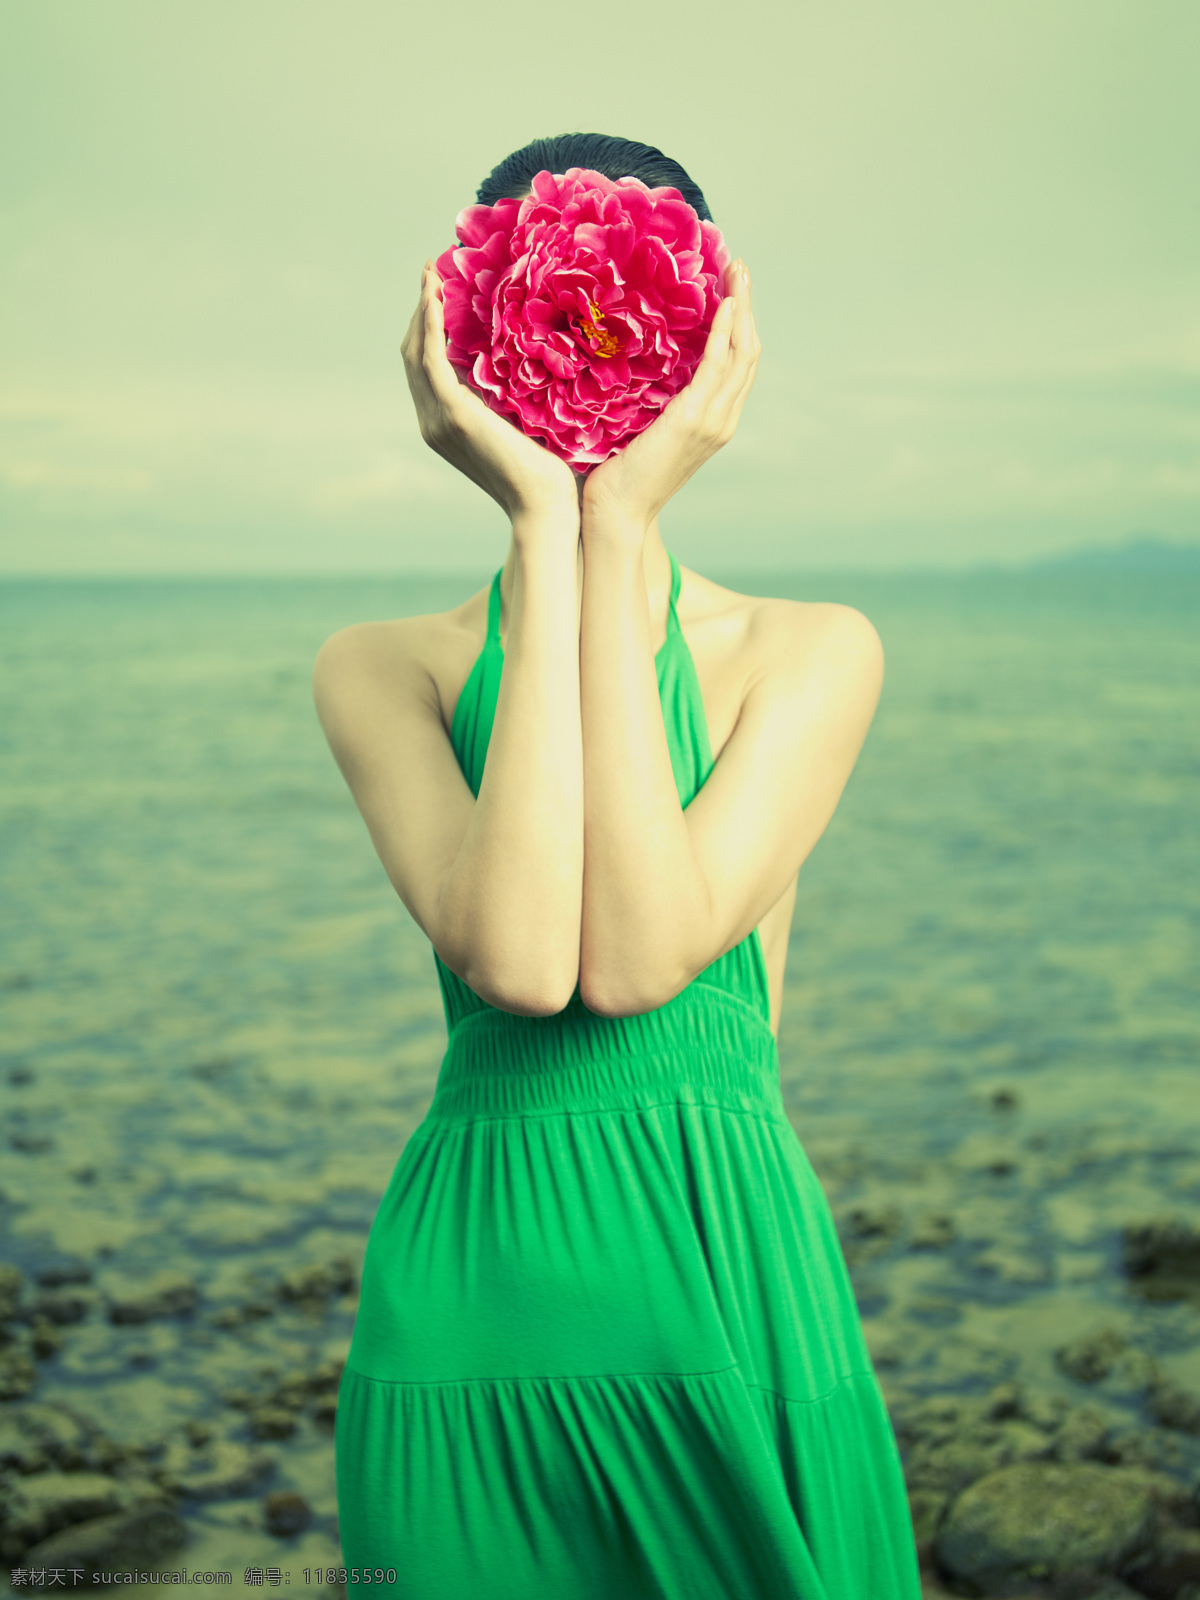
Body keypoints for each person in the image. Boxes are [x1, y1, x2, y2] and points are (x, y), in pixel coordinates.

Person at [314, 132, 921, 1600]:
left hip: (726, 1281)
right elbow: (525, 965)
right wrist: (545, 526)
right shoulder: (379, 667)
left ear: (712, 352)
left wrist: (623, 526)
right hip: (478, 1306)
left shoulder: (810, 651)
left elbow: (646, 960)